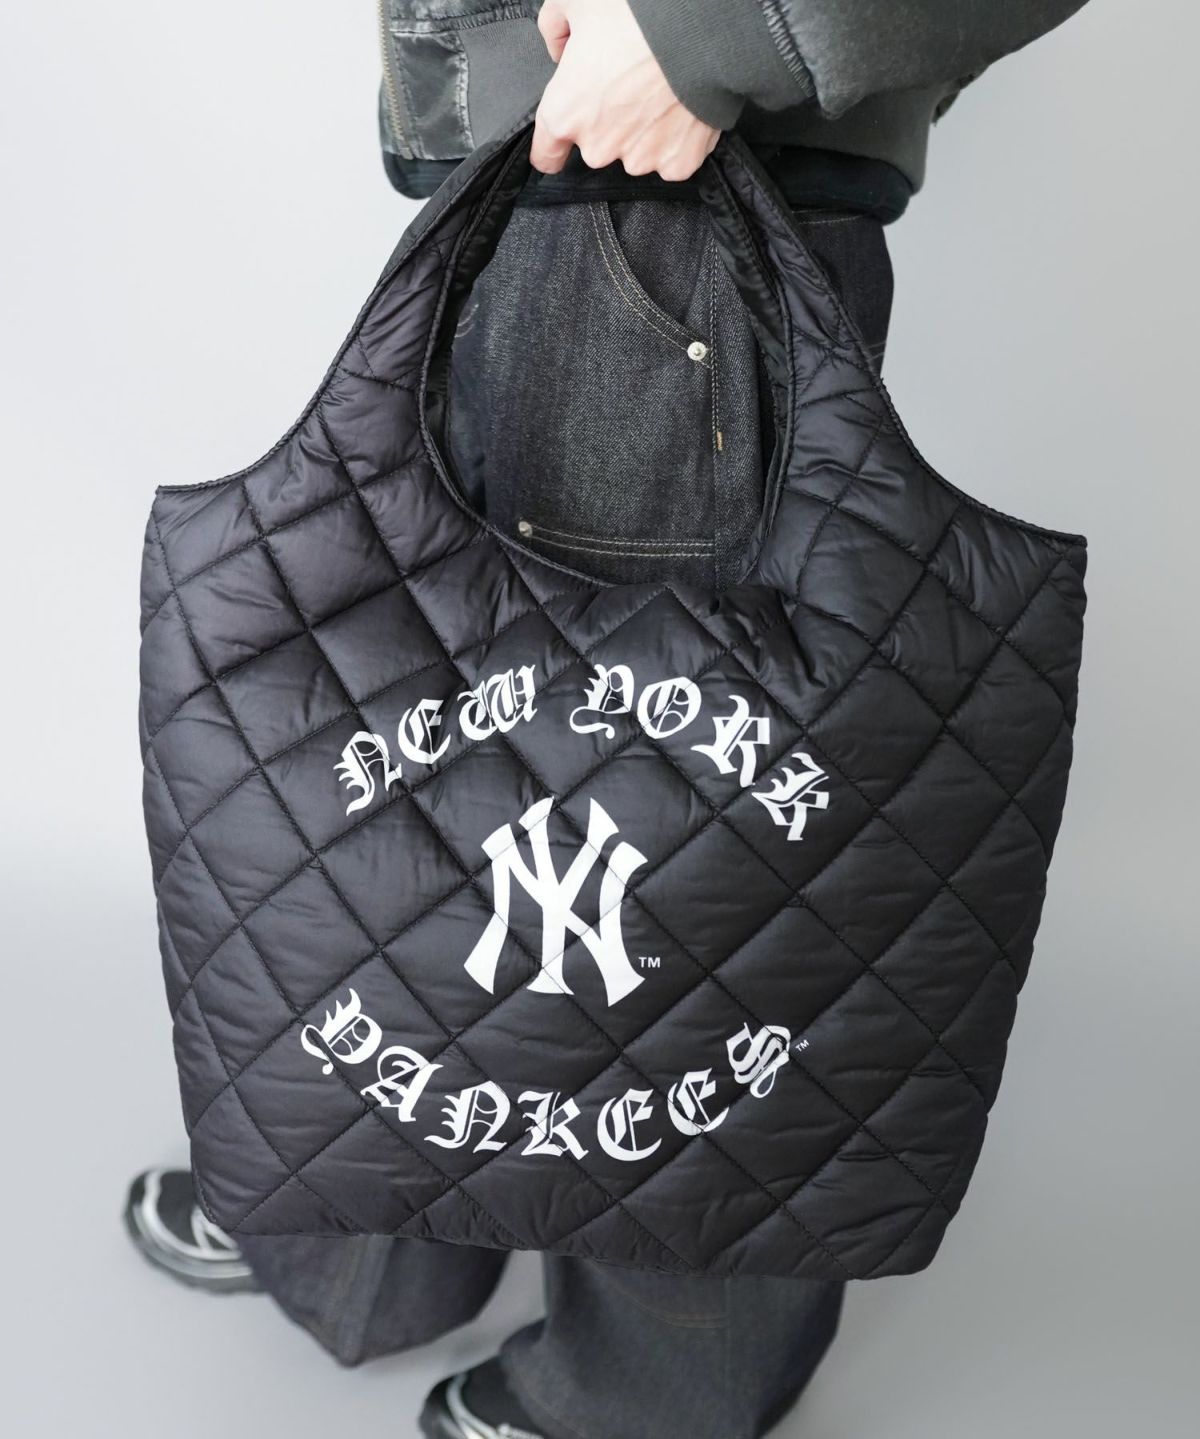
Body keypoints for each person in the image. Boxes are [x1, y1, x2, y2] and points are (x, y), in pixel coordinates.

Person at [126, 4, 1090, 1436]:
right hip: (544, 151)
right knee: (450, 780)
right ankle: (351, 1230)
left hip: (666, 172)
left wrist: (711, 35)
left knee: (703, 868)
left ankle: (641, 1395)